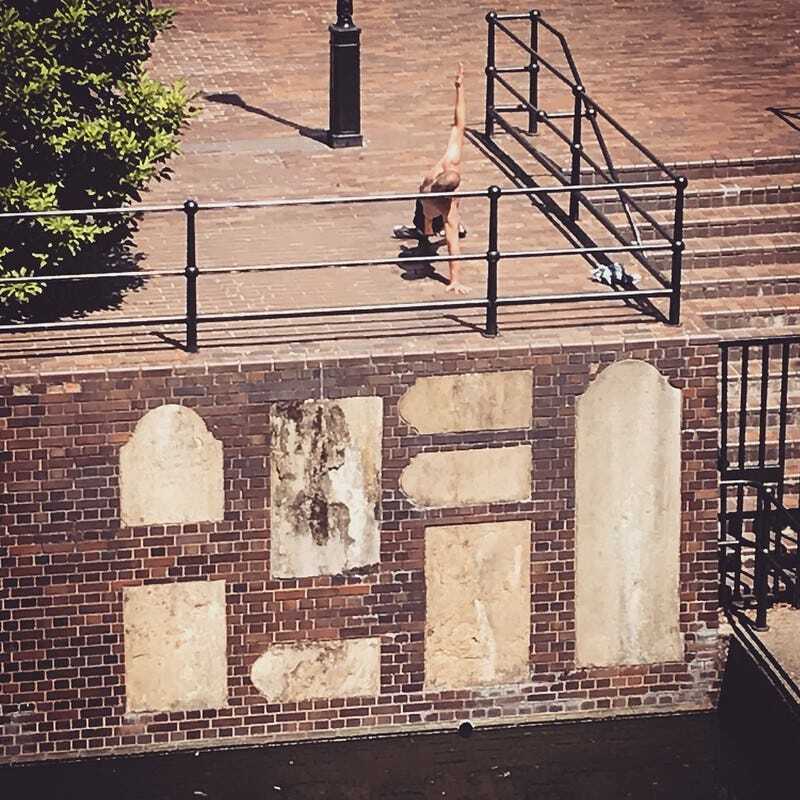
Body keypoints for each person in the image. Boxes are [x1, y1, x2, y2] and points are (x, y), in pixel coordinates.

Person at [393, 62, 469, 294]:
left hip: (437, 211)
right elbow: (459, 124)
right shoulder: (438, 176)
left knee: (448, 228)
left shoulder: (449, 203)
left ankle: (426, 235)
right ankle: (423, 236)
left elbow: (459, 124)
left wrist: (454, 279)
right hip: (424, 207)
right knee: (426, 224)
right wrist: (459, 88)